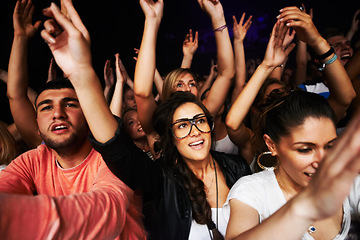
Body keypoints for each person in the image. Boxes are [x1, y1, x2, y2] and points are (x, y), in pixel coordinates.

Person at [0, 0, 146, 238]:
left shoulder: (112, 159)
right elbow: (16, 96)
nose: (58, 113)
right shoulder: (34, 160)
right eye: (46, 107)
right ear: (37, 127)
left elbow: (106, 207)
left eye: (69, 104)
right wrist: (20, 37)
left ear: (88, 115)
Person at [90, 91, 251, 239]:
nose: (195, 131)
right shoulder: (163, 178)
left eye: (200, 121)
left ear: (210, 127)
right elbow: (117, 150)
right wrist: (82, 75)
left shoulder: (237, 167)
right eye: (182, 125)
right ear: (172, 138)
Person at [224, 90, 360, 240]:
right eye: (305, 150)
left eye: (329, 146)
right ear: (272, 145)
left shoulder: (350, 183)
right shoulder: (252, 191)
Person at [134, 0, 235, 142]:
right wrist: (152, 20)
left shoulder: (204, 112)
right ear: (168, 91)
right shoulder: (157, 124)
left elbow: (227, 74)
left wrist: (218, 18)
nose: (187, 88)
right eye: (179, 85)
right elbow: (142, 93)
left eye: (192, 84)